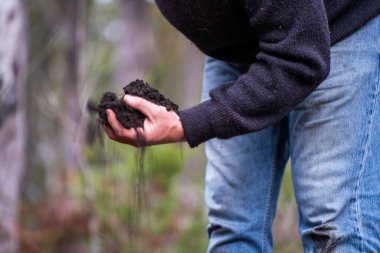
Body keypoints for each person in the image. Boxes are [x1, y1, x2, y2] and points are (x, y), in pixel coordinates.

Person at [103, 0, 380, 252]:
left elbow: (301, 55)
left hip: (336, 31)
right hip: (239, 46)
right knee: (232, 225)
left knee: (333, 229)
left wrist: (187, 124)